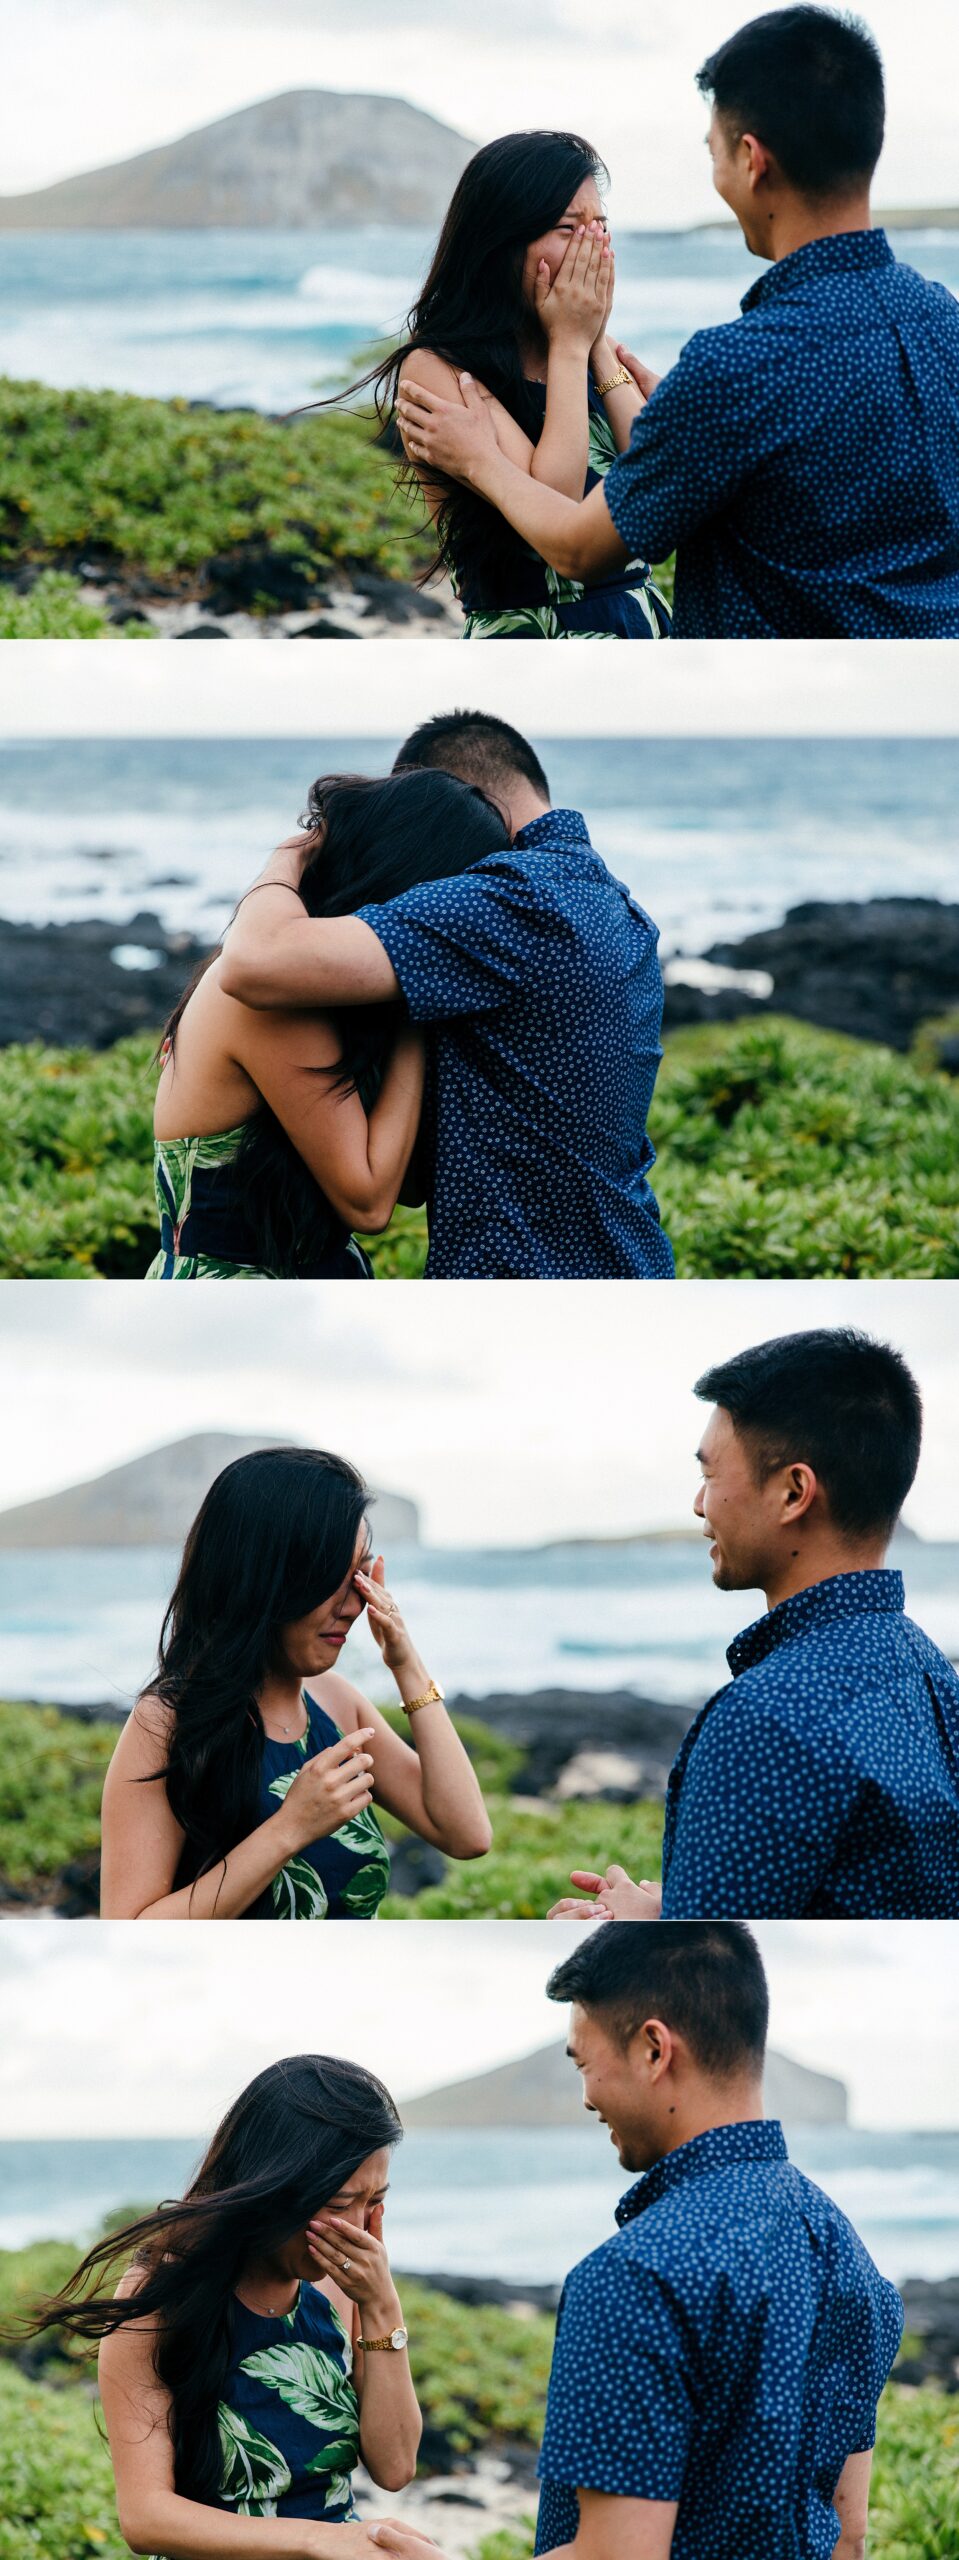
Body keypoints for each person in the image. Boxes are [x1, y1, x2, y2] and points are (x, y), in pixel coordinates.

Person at [397, 8, 959, 640]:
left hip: (768, 703)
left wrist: (483, 460)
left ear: (751, 161)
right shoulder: (944, 320)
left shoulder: (739, 366)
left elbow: (582, 549)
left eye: (713, 151)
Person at [219, 712, 675, 1281]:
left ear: (465, 801)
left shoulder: (511, 899)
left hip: (529, 1275)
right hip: (622, 1257)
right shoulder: (613, 904)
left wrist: (289, 856)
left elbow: (257, 962)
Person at [552, 1328, 959, 1922]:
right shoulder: (926, 1665)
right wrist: (681, 1911)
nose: (699, 1503)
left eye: (711, 1475)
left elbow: (705, 1963)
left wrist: (650, 1933)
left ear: (794, 1492)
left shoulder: (766, 1720)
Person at [537, 1921, 903, 2560]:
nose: (587, 2097)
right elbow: (849, 2536)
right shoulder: (849, 2255)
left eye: (584, 2062)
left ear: (654, 2049)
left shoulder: (632, 2277)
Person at [23, 2053, 440, 2558]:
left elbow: (395, 2468)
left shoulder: (339, 2292)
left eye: (373, 2201)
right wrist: (318, 2539)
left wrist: (382, 2305)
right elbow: (146, 2516)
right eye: (336, 2204)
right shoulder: (162, 2295)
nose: (355, 2227)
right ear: (273, 2186)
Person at [100, 1447, 492, 1918]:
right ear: (264, 1577)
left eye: (361, 1574)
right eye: (332, 1577)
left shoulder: (339, 1707)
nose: (353, 1605)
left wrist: (406, 1665)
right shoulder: (166, 1723)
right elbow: (128, 1928)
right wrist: (290, 1828)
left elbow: (467, 1835)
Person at [147, 768, 509, 1278]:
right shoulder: (275, 1000)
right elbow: (370, 1201)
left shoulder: (330, 997)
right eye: (457, 904)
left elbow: (407, 1185)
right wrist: (420, 988)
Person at [340, 132, 670, 639]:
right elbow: (558, 513)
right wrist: (570, 345)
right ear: (501, 242)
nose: (593, 245)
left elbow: (661, 480)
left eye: (600, 226)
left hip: (637, 623)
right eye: (567, 228)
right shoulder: (439, 367)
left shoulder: (584, 346)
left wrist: (597, 342)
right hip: (528, 636)